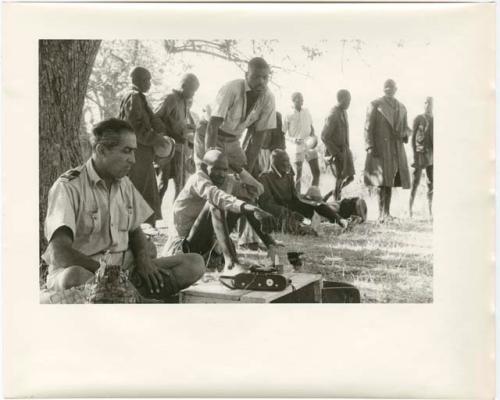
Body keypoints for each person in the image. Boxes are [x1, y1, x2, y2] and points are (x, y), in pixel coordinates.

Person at [42, 118, 205, 297]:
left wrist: (143, 259)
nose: (133, 160)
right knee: (73, 277)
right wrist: (107, 273)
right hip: (89, 272)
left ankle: (127, 296)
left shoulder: (124, 183)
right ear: (101, 150)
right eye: (127, 151)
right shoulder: (68, 186)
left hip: (126, 271)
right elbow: (59, 252)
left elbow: (135, 231)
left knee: (193, 264)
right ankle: (132, 298)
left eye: (133, 152)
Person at [161, 149, 277, 274]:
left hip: (207, 243)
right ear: (205, 167)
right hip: (185, 246)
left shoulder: (226, 180)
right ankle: (231, 264)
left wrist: (238, 169)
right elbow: (216, 196)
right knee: (216, 203)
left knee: (244, 201)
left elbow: (257, 190)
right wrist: (253, 209)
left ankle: (271, 246)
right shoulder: (197, 179)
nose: (221, 174)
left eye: (224, 169)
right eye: (216, 168)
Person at [195, 57, 276, 174]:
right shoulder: (232, 88)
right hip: (208, 133)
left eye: (265, 77)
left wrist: (248, 171)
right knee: (206, 175)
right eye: (256, 77)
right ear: (246, 75)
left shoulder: (269, 98)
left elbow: (258, 138)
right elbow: (213, 126)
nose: (261, 82)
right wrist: (211, 160)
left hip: (233, 140)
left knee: (241, 175)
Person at [258, 149, 349, 234]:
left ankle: (340, 220)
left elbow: (295, 199)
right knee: (300, 225)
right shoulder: (264, 178)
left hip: (292, 209)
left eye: (288, 160)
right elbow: (267, 205)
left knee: (318, 204)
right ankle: (307, 225)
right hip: (280, 215)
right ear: (275, 163)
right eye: (284, 161)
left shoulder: (288, 176)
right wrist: (292, 214)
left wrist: (309, 204)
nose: (288, 164)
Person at [118, 67, 165, 226]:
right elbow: (135, 128)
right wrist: (155, 139)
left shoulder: (137, 98)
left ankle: (141, 230)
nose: (149, 84)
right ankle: (142, 231)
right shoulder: (134, 97)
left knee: (142, 191)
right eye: (146, 80)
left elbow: (149, 121)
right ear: (134, 80)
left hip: (140, 153)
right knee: (141, 192)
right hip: (138, 153)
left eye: (149, 80)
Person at [364, 79, 411, 222]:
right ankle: (380, 215)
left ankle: (387, 213)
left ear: (396, 89)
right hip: (380, 148)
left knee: (389, 180)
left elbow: (406, 128)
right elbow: (368, 128)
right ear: (383, 89)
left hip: (395, 148)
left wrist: (404, 135)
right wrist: (370, 146)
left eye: (392, 87)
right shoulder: (375, 104)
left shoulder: (402, 107)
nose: (389, 89)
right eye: (386, 87)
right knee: (381, 181)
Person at [154, 73, 200, 200]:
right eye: (192, 90)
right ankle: (152, 217)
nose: (193, 94)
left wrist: (189, 128)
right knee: (163, 183)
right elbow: (155, 118)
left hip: (180, 148)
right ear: (183, 86)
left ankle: (177, 216)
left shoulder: (184, 102)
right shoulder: (171, 98)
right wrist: (171, 134)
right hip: (168, 147)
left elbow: (178, 122)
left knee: (181, 183)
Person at [321, 89, 355, 201]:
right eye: (347, 101)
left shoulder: (344, 112)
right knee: (339, 179)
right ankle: (336, 202)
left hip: (344, 151)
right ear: (340, 100)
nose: (349, 104)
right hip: (335, 153)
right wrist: (336, 153)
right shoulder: (333, 114)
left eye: (350, 101)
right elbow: (324, 136)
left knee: (350, 178)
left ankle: (329, 195)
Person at [283, 92, 320, 194]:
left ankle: (312, 195)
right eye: (299, 99)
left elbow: (311, 127)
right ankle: (297, 198)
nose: (301, 101)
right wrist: (294, 140)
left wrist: (313, 136)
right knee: (298, 175)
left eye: (302, 99)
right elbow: (284, 133)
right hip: (296, 147)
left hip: (309, 145)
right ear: (293, 100)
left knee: (316, 172)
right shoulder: (288, 114)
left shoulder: (307, 111)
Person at [409, 97, 434, 219]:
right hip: (419, 154)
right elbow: (412, 139)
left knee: (431, 184)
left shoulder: (435, 120)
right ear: (423, 104)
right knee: (415, 182)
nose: (429, 105)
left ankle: (430, 211)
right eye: (426, 103)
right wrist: (414, 156)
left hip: (431, 155)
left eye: (431, 103)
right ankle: (410, 211)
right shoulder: (418, 119)